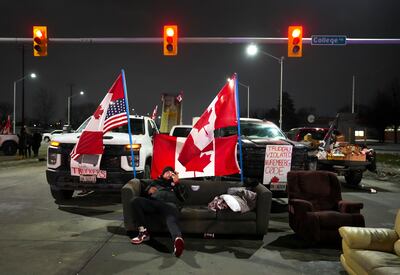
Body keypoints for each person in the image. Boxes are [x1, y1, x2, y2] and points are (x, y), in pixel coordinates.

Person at [130, 166, 184, 257]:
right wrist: (148, 192)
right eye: (167, 172)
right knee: (135, 201)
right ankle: (143, 232)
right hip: (154, 203)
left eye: (171, 172)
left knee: (170, 217)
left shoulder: (175, 184)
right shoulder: (155, 182)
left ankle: (177, 240)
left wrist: (177, 183)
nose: (169, 173)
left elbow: (183, 197)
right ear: (162, 174)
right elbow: (144, 196)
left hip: (169, 205)